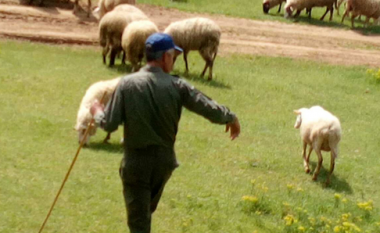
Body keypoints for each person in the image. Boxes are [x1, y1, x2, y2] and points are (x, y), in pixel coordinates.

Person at [90, 33, 240, 233]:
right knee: (144, 215)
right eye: (172, 55)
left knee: (139, 223)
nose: (173, 59)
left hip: (136, 163)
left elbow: (109, 124)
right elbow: (207, 107)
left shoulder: (127, 84)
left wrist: (97, 112)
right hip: (163, 164)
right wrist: (230, 117)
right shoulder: (178, 85)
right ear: (163, 57)